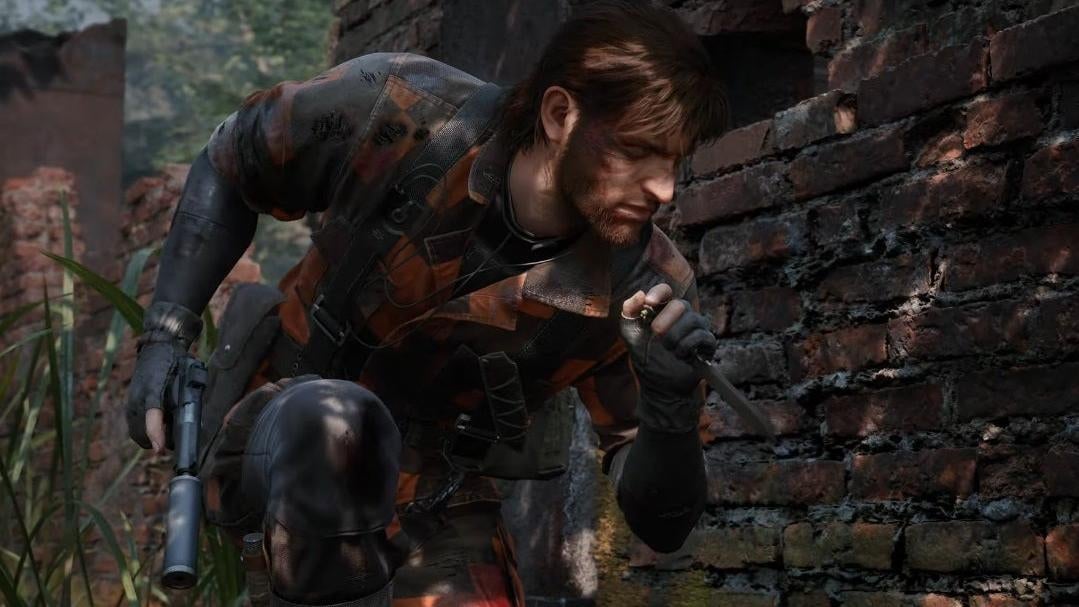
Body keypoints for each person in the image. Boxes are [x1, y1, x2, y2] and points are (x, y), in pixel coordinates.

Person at [124, 1, 728, 605]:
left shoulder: (646, 289)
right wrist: (166, 333)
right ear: (559, 114)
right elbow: (233, 159)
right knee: (338, 424)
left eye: (673, 160)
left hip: (435, 494)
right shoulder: (400, 107)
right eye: (635, 150)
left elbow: (663, 528)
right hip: (284, 429)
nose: (664, 189)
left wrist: (670, 407)